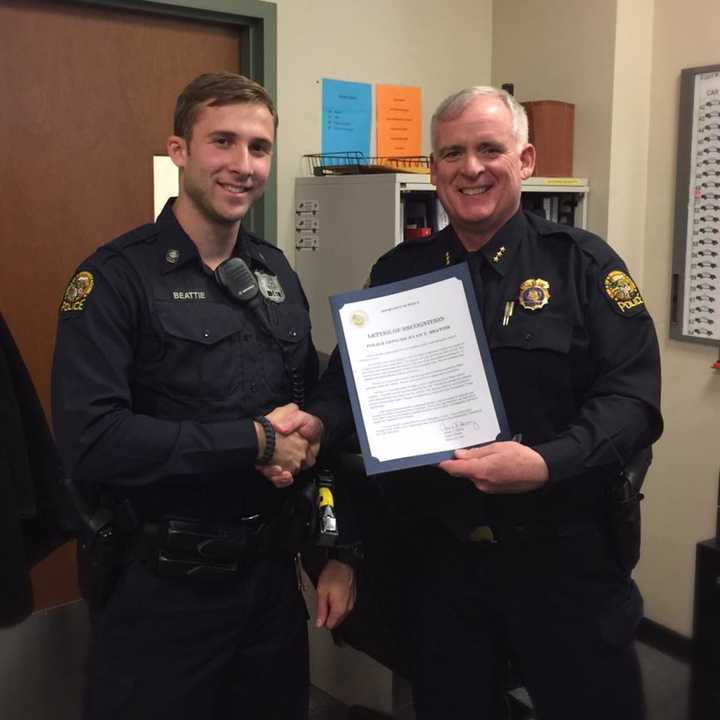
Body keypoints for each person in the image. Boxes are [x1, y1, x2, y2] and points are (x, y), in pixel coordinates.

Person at [267, 86, 663, 719]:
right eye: (452, 152)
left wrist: (544, 462)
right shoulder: (399, 270)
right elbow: (352, 389)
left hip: (565, 561)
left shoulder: (582, 266)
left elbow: (634, 401)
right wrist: (318, 420)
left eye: (489, 149)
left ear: (526, 160)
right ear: (433, 169)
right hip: (441, 563)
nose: (470, 168)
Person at [52, 72, 354, 720]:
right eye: (223, 141)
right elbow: (92, 440)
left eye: (259, 147)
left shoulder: (275, 272)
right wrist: (253, 440)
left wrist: (334, 548)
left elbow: (309, 408)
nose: (243, 165)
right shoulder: (113, 280)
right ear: (180, 150)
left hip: (272, 588)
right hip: (161, 592)